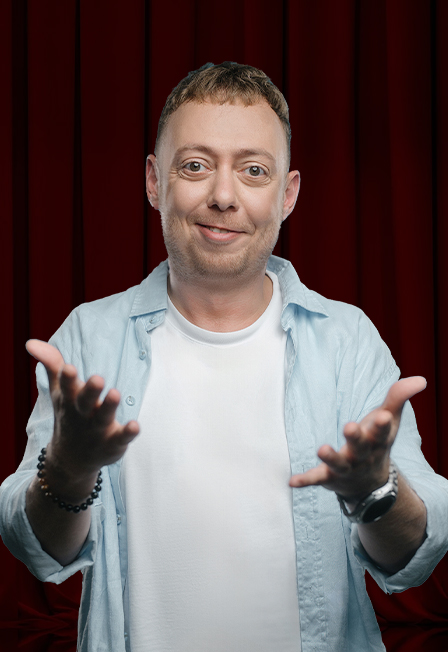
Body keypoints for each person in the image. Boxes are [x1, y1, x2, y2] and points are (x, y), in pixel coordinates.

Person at [1, 61, 447, 652]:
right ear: (154, 181)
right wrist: (68, 469)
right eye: (195, 165)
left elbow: (415, 555)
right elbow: (37, 549)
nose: (223, 196)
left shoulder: (347, 341)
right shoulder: (88, 338)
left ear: (287, 194)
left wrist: (375, 492)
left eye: (253, 171)